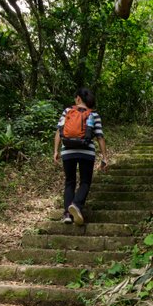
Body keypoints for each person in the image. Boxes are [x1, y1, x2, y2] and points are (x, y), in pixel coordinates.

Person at [53, 87, 107, 225]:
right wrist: (104, 157)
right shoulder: (94, 115)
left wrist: (56, 151)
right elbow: (100, 137)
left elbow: (59, 131)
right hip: (86, 152)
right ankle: (76, 205)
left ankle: (67, 214)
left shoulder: (67, 111)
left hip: (68, 151)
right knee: (85, 181)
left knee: (70, 181)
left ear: (78, 98)